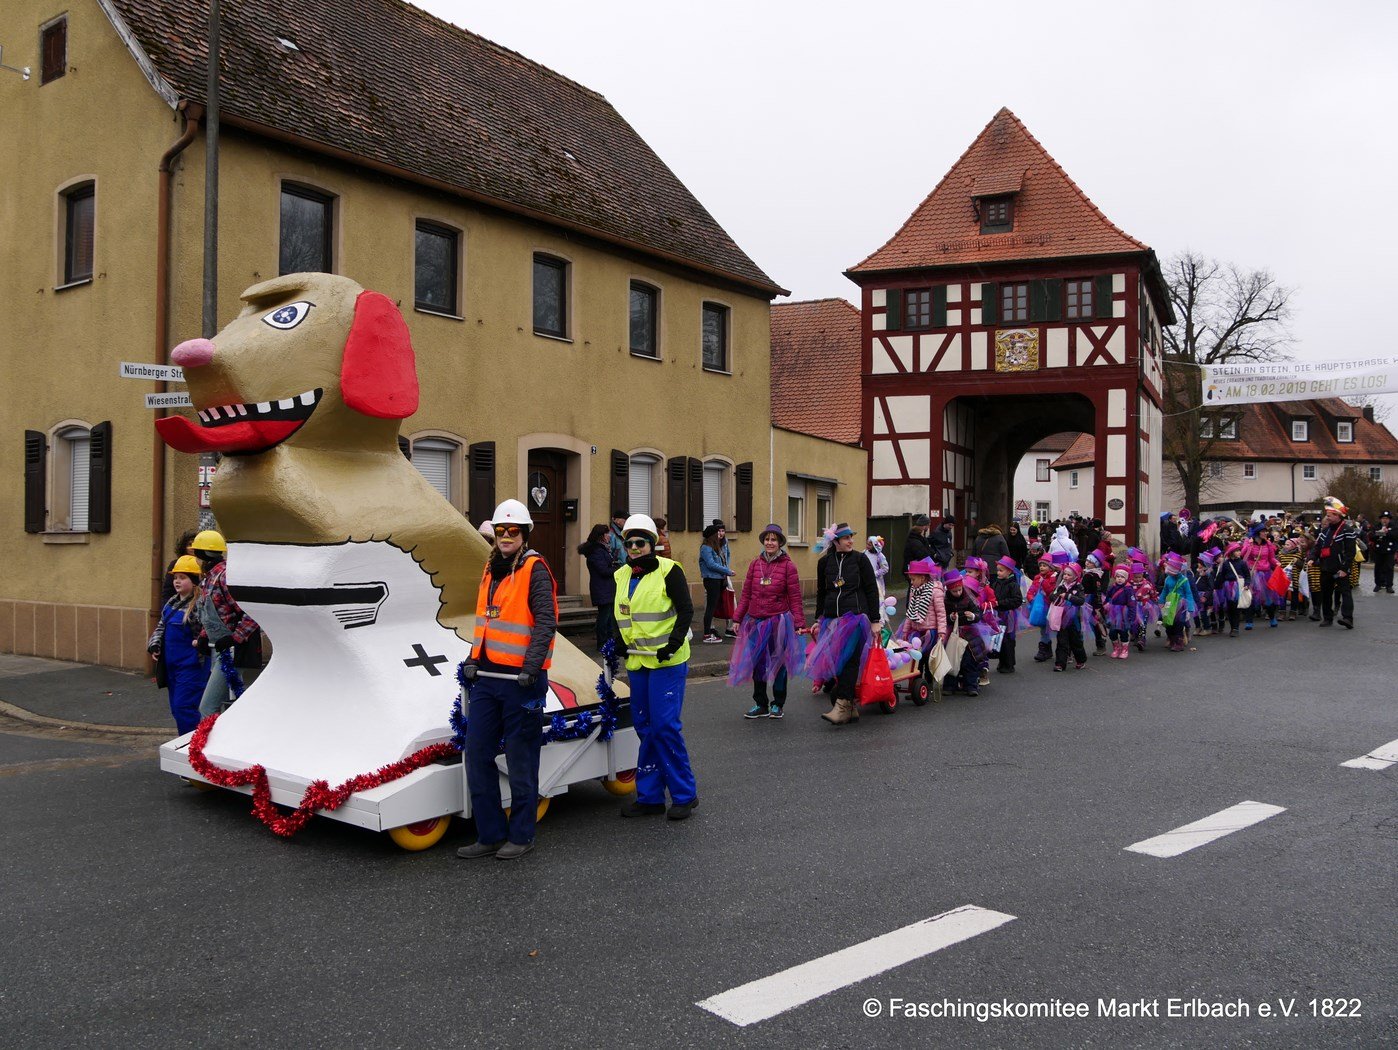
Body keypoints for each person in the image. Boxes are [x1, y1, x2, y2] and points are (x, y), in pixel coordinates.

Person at [457, 499, 558, 861]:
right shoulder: (491, 568)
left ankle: (521, 834)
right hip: (488, 677)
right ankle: (490, 834)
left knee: (521, 759)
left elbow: (546, 622)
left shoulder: (535, 569)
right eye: (501, 531)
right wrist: (473, 659)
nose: (506, 536)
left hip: (522, 680)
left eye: (513, 531)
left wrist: (531, 667)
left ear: (525, 534)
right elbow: (486, 621)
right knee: (476, 753)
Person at [613, 514, 698, 819]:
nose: (635, 548)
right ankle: (649, 797)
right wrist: (617, 640)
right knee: (645, 728)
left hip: (667, 661)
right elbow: (621, 614)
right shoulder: (621, 575)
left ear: (652, 543)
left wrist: (673, 643)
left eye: (641, 542)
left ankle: (685, 794)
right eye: (629, 543)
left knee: (664, 728)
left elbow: (686, 610)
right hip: (638, 661)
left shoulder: (669, 570)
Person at [807, 523, 880, 725]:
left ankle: (842, 705)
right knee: (838, 661)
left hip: (856, 618)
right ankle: (850, 708)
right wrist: (818, 618)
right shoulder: (824, 563)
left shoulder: (860, 560)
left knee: (850, 660)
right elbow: (822, 592)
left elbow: (871, 590)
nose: (851, 541)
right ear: (836, 541)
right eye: (847, 538)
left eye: (851, 537)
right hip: (832, 620)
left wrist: (875, 620)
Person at [731, 524, 805, 719]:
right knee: (757, 664)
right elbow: (746, 594)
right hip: (755, 621)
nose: (770, 543)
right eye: (767, 539)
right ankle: (760, 703)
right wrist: (737, 618)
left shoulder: (788, 566)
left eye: (773, 539)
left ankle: (777, 704)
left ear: (780, 543)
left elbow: (795, 598)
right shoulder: (755, 565)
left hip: (778, 622)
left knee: (778, 664)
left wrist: (799, 623)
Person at [190, 530, 260, 719]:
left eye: (197, 553)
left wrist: (235, 638)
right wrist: (204, 636)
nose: (196, 559)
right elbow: (211, 613)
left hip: (233, 651)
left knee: (208, 707)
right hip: (220, 648)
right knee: (229, 705)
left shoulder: (224, 577)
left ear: (203, 554)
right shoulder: (209, 578)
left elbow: (252, 613)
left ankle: (209, 738)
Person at [147, 555, 210, 734]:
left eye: (183, 577)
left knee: (184, 708)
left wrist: (200, 642)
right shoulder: (172, 602)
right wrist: (154, 645)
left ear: (194, 581)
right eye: (175, 577)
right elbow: (161, 626)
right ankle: (189, 742)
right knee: (176, 709)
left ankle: (193, 744)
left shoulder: (200, 604)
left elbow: (208, 630)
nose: (177, 581)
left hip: (192, 667)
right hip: (172, 666)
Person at [1312, 497, 1357, 629]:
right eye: (1327, 515)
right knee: (1326, 593)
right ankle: (1327, 618)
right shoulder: (1325, 531)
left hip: (1340, 568)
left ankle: (1348, 618)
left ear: (1337, 515)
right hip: (1326, 567)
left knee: (1345, 592)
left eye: (1329, 515)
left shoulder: (1347, 530)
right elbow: (1317, 547)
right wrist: (1312, 557)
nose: (1327, 517)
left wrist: (1344, 568)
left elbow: (1350, 552)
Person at [896, 558, 947, 672]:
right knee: (916, 659)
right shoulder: (914, 591)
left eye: (913, 579)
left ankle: (929, 679)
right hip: (916, 632)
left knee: (929, 659)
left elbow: (941, 613)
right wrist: (905, 630)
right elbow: (910, 612)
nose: (911, 582)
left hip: (930, 632)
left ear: (923, 578)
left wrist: (941, 631)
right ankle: (916, 679)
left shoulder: (935, 591)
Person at [579, 524, 618, 655]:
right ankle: (602, 643)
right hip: (602, 588)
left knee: (609, 617)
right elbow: (603, 570)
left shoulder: (601, 549)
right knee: (604, 617)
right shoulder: (596, 551)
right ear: (601, 536)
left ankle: (609, 642)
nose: (609, 536)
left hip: (606, 588)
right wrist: (617, 569)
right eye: (607, 534)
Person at [699, 524, 736, 642]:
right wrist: (727, 571)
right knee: (710, 607)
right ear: (712, 535)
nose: (719, 534)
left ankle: (721, 630)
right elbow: (711, 564)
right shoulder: (706, 548)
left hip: (719, 579)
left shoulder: (716, 546)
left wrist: (725, 571)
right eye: (717, 533)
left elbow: (724, 558)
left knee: (715, 605)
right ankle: (707, 634)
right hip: (711, 580)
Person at [1051, 563, 1089, 671]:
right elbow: (1053, 596)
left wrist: (1068, 596)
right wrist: (1055, 597)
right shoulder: (1061, 586)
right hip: (1061, 617)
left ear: (1076, 576)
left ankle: (1081, 660)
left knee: (1075, 641)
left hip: (1074, 619)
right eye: (1065, 574)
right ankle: (1060, 664)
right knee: (1061, 641)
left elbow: (1081, 601)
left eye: (1069, 575)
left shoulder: (1079, 587)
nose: (1066, 576)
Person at [991, 556, 1024, 673]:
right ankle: (1002, 662)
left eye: (1001, 570)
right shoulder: (996, 583)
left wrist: (1000, 603)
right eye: (998, 570)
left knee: (1008, 639)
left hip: (1008, 615)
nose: (998, 573)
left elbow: (1017, 600)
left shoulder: (1013, 585)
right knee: (999, 638)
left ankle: (1009, 664)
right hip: (998, 614)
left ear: (1009, 571)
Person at [1159, 552, 1197, 652]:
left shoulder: (1184, 580)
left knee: (1178, 623)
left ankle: (1178, 642)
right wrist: (1161, 601)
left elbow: (1188, 593)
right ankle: (1171, 639)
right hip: (1169, 603)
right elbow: (1165, 591)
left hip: (1181, 605)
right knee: (1168, 623)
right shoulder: (1168, 579)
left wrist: (1190, 606)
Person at [1103, 566, 1137, 659]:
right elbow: (1107, 598)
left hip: (1123, 613)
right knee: (1112, 632)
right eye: (1118, 577)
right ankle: (1116, 648)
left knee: (1123, 632)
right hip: (1113, 613)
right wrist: (1105, 607)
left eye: (1122, 577)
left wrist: (1131, 616)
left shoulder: (1128, 589)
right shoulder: (1112, 587)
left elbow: (1132, 604)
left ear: (1126, 578)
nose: (1119, 579)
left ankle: (1124, 649)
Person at [160, 529, 199, 606]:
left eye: (196, 544)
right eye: (189, 544)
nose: (192, 547)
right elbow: (167, 591)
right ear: (184, 547)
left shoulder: (204, 565)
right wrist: (167, 608)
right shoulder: (175, 564)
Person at [1370, 510, 1395, 594]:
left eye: (1387, 518)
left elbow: (1396, 536)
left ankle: (1389, 586)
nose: (1385, 520)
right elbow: (1371, 536)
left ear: (1389, 519)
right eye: (1383, 518)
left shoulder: (1394, 526)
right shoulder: (1376, 526)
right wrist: (1378, 533)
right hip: (1379, 550)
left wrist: (1388, 532)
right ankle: (1378, 584)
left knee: (1389, 568)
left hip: (1389, 551)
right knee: (1378, 568)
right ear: (1380, 519)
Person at [865, 536, 890, 603]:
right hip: (865, 579)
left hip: (876, 582)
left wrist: (875, 573)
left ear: (874, 546)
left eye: (869, 545)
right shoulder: (864, 553)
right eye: (867, 544)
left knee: (877, 598)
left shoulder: (880, 556)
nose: (867, 546)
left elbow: (885, 568)